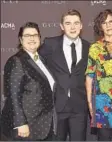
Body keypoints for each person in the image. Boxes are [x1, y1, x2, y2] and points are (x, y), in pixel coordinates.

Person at [38, 9, 90, 141]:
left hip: (79, 107)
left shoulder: (89, 47)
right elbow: (35, 63)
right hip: (56, 106)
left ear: (81, 25)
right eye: (68, 23)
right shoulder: (50, 44)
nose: (72, 27)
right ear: (62, 26)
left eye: (76, 23)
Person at [1, 22, 56, 141]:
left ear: (40, 38)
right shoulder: (16, 61)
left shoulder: (42, 60)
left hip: (44, 125)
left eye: (35, 35)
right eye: (27, 35)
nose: (32, 38)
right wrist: (20, 123)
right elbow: (12, 96)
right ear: (21, 40)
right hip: (27, 127)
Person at [85, 9, 112, 141]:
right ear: (100, 27)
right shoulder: (95, 47)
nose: (108, 25)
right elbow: (89, 76)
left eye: (111, 21)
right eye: (104, 23)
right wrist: (90, 103)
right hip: (101, 103)